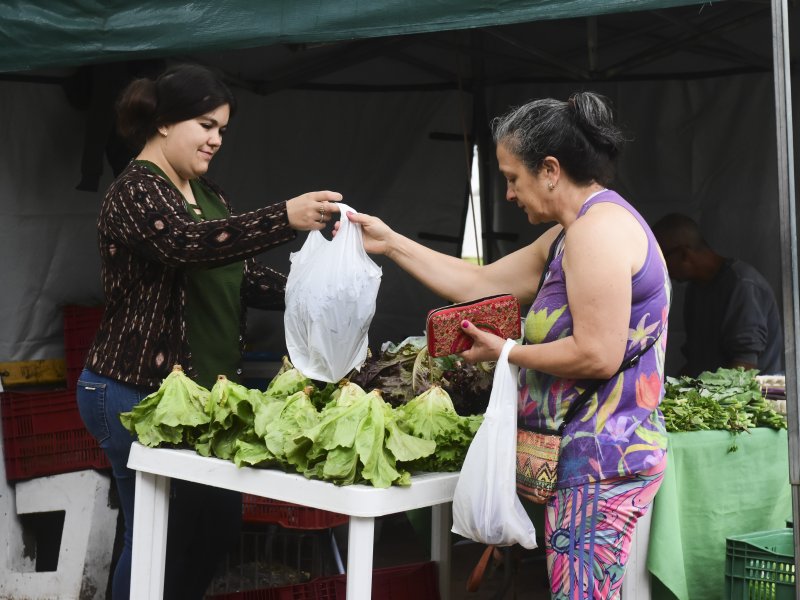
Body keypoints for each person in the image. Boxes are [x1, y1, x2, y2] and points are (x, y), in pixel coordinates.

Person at [341, 92, 670, 599]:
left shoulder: (596, 233)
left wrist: (507, 353)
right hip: (587, 461)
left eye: (513, 178)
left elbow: (597, 354)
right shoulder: (569, 234)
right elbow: (483, 283)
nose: (510, 194)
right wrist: (392, 243)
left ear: (551, 169)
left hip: (601, 462)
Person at [74, 63, 341, 600]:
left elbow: (234, 274)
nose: (217, 139)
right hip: (133, 391)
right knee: (157, 533)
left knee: (215, 526)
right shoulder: (135, 191)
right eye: (206, 125)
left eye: (222, 129)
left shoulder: (207, 192)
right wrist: (283, 216)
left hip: (203, 401)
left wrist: (317, 291)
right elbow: (188, 245)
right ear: (165, 123)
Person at [652, 213, 783, 377]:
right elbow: (697, 361)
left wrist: (699, 399)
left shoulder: (743, 285)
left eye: (662, 260)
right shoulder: (696, 289)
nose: (661, 269)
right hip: (713, 396)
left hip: (749, 399)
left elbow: (744, 367)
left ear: (684, 254)